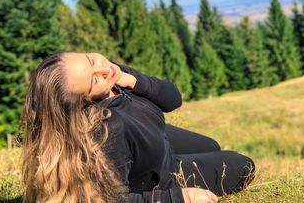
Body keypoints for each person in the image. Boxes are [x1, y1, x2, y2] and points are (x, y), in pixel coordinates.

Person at [21, 51, 255, 203]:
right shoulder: (107, 129)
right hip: (162, 173)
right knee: (244, 166)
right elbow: (110, 200)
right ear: (85, 102)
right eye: (94, 80)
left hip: (155, 138)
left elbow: (173, 99)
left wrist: (132, 79)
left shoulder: (114, 77)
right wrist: (177, 198)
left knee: (211, 145)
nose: (103, 70)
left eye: (91, 60)